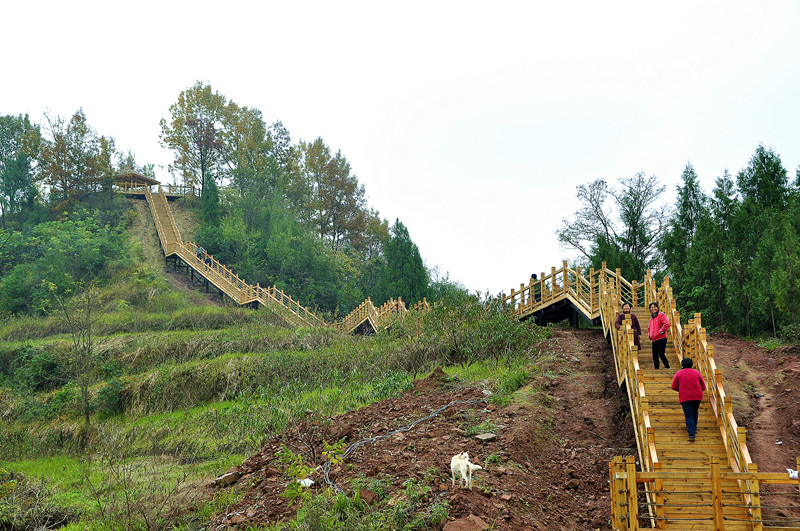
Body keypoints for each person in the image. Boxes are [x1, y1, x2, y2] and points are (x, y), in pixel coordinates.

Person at [671, 357, 706, 441]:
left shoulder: (679, 373)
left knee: (688, 415)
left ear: (682, 365)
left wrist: (681, 390)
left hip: (685, 397)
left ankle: (691, 434)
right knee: (695, 412)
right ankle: (693, 428)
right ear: (692, 364)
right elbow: (703, 387)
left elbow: (673, 386)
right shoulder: (697, 372)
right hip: (697, 396)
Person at [648, 302, 671, 369]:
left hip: (661, 338)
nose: (653, 308)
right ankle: (656, 369)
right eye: (652, 307)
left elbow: (666, 324)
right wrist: (649, 335)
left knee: (661, 354)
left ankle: (667, 367)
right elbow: (649, 328)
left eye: (654, 307)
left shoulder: (661, 315)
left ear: (657, 308)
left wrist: (660, 331)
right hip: (654, 339)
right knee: (654, 356)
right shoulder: (651, 318)